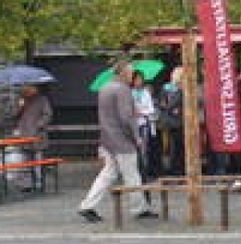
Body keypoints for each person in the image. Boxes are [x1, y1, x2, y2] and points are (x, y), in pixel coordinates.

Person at [77, 61, 157, 223]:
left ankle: (87, 205)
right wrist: (136, 137)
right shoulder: (123, 90)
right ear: (123, 73)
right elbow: (126, 117)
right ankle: (139, 208)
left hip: (107, 139)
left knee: (108, 174)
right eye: (130, 73)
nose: (132, 76)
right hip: (122, 141)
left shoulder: (105, 88)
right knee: (132, 175)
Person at [10, 84, 54, 191]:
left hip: (38, 136)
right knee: (25, 162)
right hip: (24, 136)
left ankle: (39, 184)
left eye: (29, 88)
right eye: (25, 88)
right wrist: (20, 106)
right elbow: (13, 115)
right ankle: (26, 184)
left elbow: (48, 115)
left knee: (38, 162)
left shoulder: (42, 99)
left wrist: (38, 125)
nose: (26, 89)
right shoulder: (21, 99)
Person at [156, 67, 184, 175]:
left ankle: (177, 168)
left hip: (175, 120)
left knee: (176, 146)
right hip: (171, 122)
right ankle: (174, 169)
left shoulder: (179, 88)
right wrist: (172, 108)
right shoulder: (167, 88)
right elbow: (162, 103)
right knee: (173, 146)